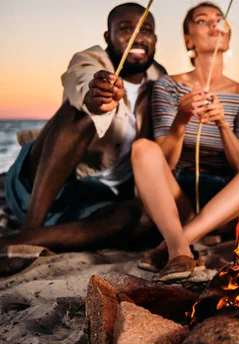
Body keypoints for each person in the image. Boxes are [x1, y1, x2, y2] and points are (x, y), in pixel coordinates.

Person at [0, 3, 166, 274]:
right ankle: (31, 228)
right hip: (38, 189)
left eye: (146, 30)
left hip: (93, 204)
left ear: (155, 40)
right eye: (126, 29)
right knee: (80, 114)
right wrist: (95, 98)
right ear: (107, 36)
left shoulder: (161, 80)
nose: (137, 37)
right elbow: (82, 83)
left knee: (141, 215)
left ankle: (20, 241)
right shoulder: (90, 60)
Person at [131, 2, 239, 282]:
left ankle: (172, 246)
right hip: (176, 199)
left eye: (219, 19)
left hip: (225, 202)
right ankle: (180, 246)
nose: (214, 25)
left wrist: (223, 124)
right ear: (188, 40)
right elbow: (164, 162)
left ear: (227, 34)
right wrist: (182, 118)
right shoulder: (168, 86)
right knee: (142, 148)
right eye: (202, 21)